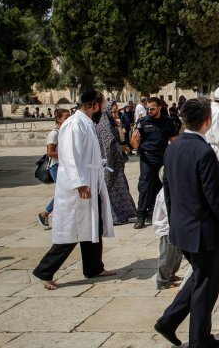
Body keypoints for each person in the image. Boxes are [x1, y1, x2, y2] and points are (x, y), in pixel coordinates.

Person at [154, 98, 219, 348]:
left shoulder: (173, 147)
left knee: (199, 277)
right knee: (206, 285)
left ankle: (169, 322)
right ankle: (200, 340)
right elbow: (216, 198)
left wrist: (174, 223)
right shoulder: (204, 152)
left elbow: (168, 191)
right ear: (208, 121)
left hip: (182, 229)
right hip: (203, 232)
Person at [32, 90, 117, 290]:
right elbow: (69, 156)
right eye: (102, 105)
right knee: (73, 231)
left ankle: (94, 268)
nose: (103, 109)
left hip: (91, 183)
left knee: (93, 227)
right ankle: (45, 270)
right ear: (94, 104)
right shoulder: (73, 124)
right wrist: (79, 184)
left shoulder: (86, 123)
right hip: (78, 187)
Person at [131, 97, 179, 229]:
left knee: (161, 187)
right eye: (147, 108)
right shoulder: (142, 122)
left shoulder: (168, 122)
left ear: (159, 108)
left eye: (152, 108)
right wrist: (134, 142)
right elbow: (134, 144)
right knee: (145, 186)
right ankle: (141, 215)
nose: (149, 110)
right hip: (147, 158)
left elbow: (173, 141)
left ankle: (157, 212)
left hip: (163, 158)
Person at [96, 101, 137, 225]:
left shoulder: (110, 124)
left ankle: (122, 215)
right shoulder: (104, 126)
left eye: (116, 112)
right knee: (110, 191)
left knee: (120, 189)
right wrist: (121, 148)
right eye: (113, 112)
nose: (115, 115)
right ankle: (113, 217)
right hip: (109, 164)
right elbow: (108, 146)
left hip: (116, 164)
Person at [37, 109, 70, 230]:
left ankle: (47, 214)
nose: (68, 120)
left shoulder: (66, 132)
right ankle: (45, 214)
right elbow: (50, 153)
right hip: (56, 167)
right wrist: (66, 155)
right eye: (65, 118)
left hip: (64, 166)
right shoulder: (54, 134)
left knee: (66, 192)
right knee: (64, 192)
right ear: (58, 119)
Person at [153, 188, 183, 290]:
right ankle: (162, 281)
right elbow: (170, 211)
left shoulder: (174, 189)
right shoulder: (164, 193)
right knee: (167, 255)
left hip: (176, 227)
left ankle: (171, 274)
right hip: (167, 229)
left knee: (177, 254)